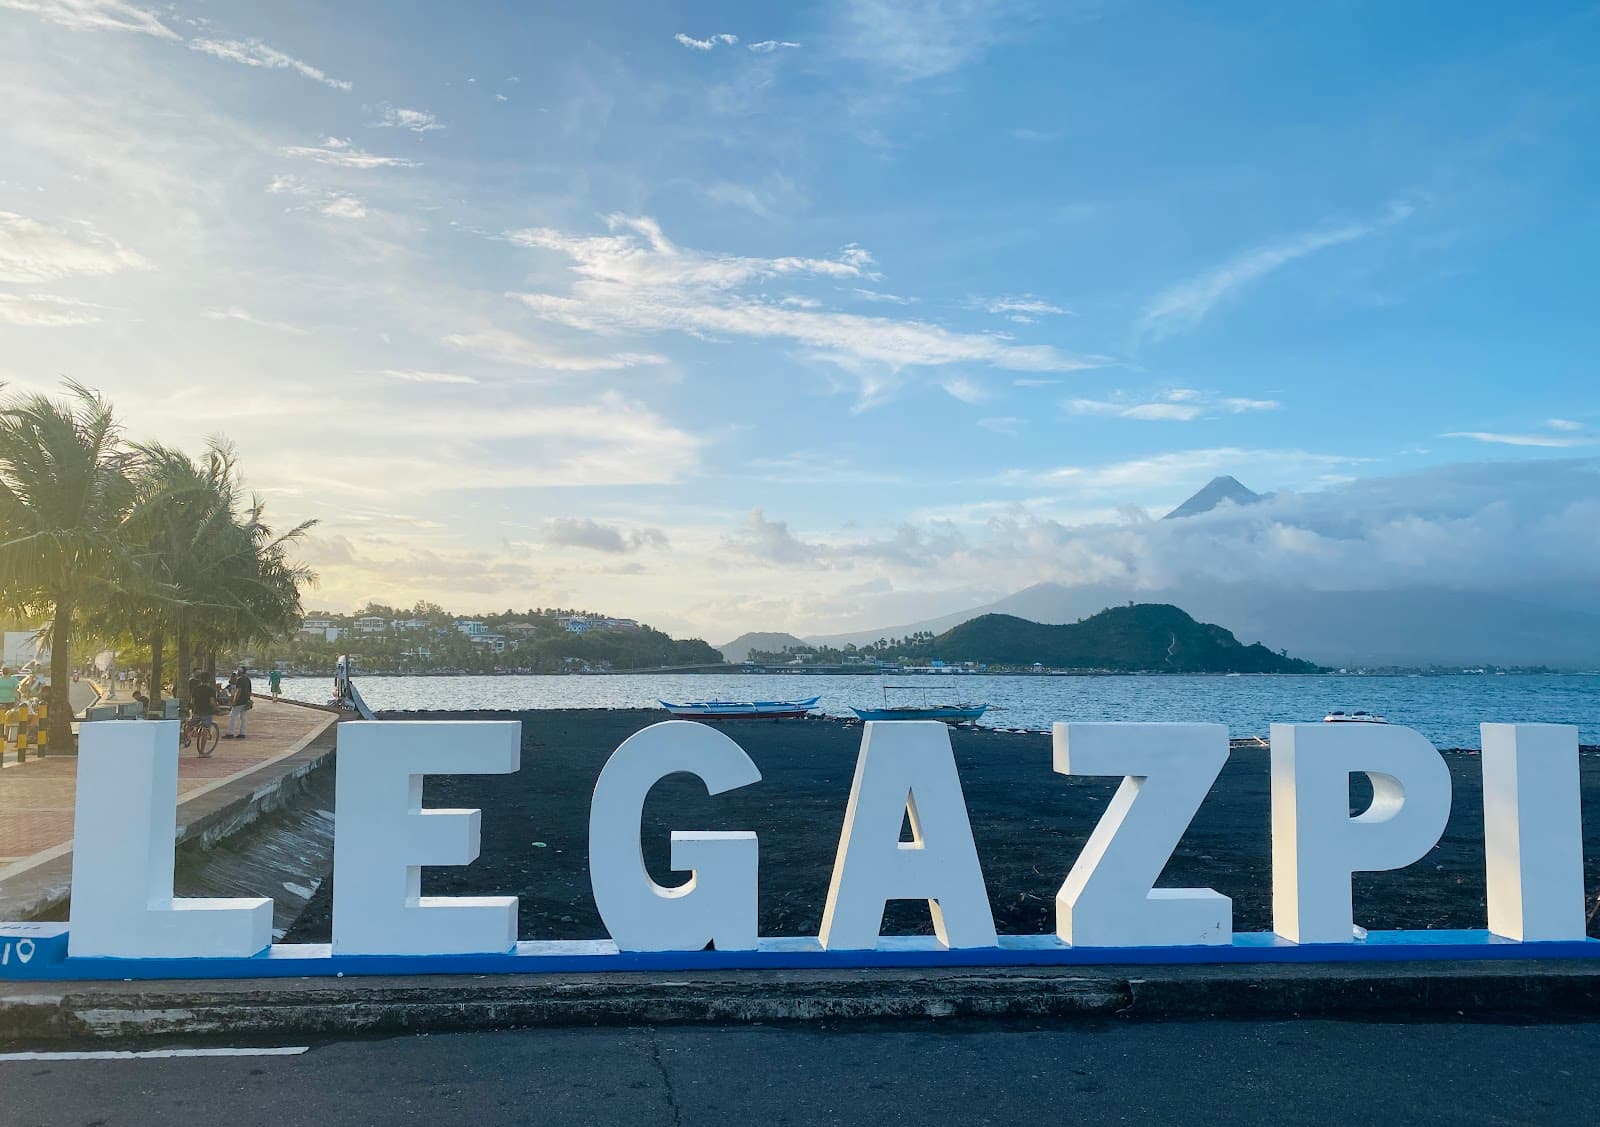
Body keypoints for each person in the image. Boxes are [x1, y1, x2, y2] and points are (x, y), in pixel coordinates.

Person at [187, 668, 218, 757]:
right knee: (205, 729)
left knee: (190, 725)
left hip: (196, 711)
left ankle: (187, 738)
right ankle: (202, 752)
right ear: (209, 680)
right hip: (207, 712)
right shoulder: (211, 690)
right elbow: (212, 702)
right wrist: (216, 708)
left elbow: (192, 701)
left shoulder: (196, 689)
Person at [223, 665, 252, 739]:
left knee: (233, 717)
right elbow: (249, 691)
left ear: (240, 672)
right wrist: (248, 699)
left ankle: (230, 733)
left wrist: (234, 700)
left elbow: (238, 691)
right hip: (245, 701)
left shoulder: (239, 680)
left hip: (239, 701)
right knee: (244, 718)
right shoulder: (248, 680)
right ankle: (242, 733)